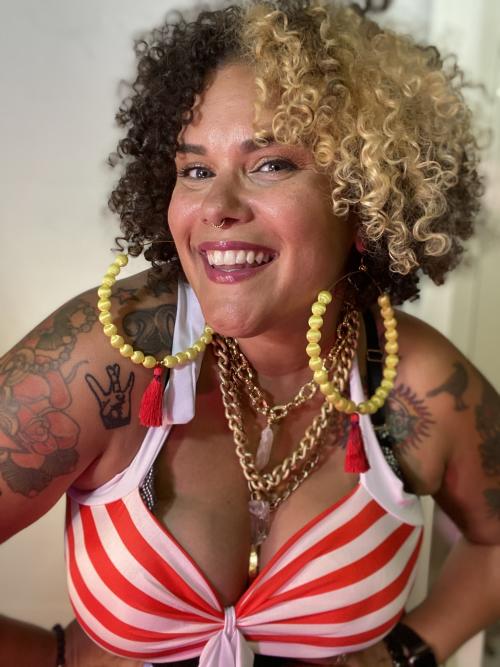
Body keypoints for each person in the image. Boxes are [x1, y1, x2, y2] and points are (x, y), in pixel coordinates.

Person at [1, 1, 499, 665]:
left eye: (271, 164)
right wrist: (57, 658)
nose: (217, 207)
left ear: (365, 197)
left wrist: (409, 651)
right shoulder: (109, 355)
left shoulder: (418, 383)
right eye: (196, 170)